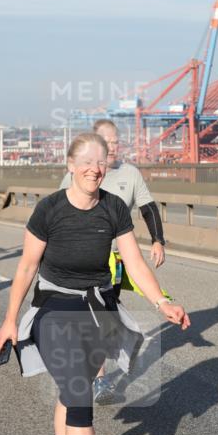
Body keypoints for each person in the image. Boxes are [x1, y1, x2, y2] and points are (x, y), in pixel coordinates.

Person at [0, 133, 190, 435]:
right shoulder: (49, 210)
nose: (94, 168)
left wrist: (161, 302)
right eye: (85, 160)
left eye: (100, 161)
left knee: (72, 389)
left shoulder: (114, 208)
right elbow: (27, 269)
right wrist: (10, 319)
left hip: (99, 310)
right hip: (55, 311)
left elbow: (133, 263)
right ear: (69, 165)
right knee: (80, 397)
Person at [59, 119, 168, 404]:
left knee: (106, 314)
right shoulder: (80, 173)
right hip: (81, 260)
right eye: (108, 142)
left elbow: (148, 207)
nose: (114, 146)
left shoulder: (130, 174)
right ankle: (96, 378)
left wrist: (158, 240)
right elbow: (59, 211)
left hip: (116, 261)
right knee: (95, 317)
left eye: (117, 141)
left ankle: (97, 373)